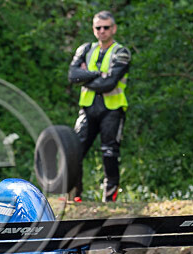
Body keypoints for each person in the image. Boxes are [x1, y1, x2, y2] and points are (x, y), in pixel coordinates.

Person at [68, 11, 131, 202]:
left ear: (113, 29)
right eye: (98, 28)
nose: (102, 31)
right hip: (88, 107)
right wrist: (98, 74)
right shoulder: (85, 49)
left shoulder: (121, 52)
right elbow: (72, 76)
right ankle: (74, 195)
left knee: (109, 152)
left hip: (112, 108)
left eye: (106, 27)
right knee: (74, 150)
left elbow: (109, 83)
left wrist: (86, 76)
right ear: (93, 29)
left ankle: (109, 197)